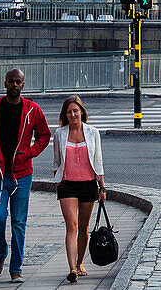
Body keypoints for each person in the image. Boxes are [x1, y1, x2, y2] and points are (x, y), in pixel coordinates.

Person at [0, 67, 51, 282]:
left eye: (18, 82)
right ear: (5, 83)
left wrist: (29, 153)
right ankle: (0, 253)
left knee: (18, 222)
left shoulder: (32, 110)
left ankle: (16, 269)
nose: (15, 85)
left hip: (22, 175)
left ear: (23, 85)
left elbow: (44, 135)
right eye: (11, 81)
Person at [52, 95, 106, 283]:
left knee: (83, 227)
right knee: (71, 226)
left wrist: (102, 187)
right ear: (64, 115)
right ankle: (72, 268)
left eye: (76, 110)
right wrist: (57, 180)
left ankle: (81, 261)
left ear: (82, 112)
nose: (73, 114)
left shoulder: (93, 133)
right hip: (67, 185)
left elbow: (98, 160)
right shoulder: (59, 134)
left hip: (88, 184)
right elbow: (57, 161)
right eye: (69, 112)